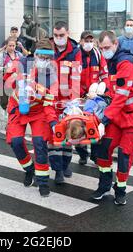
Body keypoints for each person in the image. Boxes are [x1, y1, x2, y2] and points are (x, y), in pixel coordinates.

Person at [91, 31, 133, 206]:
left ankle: (121, 189)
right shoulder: (112, 60)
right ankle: (104, 184)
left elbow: (122, 95)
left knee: (124, 154)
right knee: (103, 148)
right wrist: (102, 91)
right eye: (101, 48)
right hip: (119, 115)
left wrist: (104, 120)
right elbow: (114, 87)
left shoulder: (125, 61)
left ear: (116, 44)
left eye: (107, 47)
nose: (104, 51)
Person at [4, 39, 59, 197]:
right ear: (35, 55)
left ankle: (42, 182)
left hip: (39, 112)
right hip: (17, 108)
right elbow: (5, 81)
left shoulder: (52, 79)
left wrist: (54, 123)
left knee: (40, 142)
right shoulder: (21, 63)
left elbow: (49, 105)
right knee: (15, 141)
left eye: (47, 58)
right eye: (41, 57)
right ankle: (29, 170)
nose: (44, 61)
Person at [49, 21, 82, 184]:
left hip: (69, 98)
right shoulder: (49, 49)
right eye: (56, 35)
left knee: (68, 135)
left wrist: (73, 102)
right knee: (55, 136)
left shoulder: (75, 52)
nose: (58, 38)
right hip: (51, 98)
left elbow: (76, 77)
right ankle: (58, 170)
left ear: (67, 33)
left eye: (61, 35)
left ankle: (66, 164)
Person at [78, 30, 109, 165]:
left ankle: (95, 156)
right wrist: (82, 94)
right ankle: (82, 153)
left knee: (95, 125)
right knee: (77, 127)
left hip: (95, 96)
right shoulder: (76, 55)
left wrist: (101, 90)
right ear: (81, 41)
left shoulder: (97, 53)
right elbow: (71, 78)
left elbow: (105, 74)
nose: (89, 43)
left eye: (91, 41)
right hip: (79, 96)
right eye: (86, 41)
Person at [0, 37, 23, 111]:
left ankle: (13, 113)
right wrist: (5, 69)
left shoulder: (19, 54)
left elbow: (23, 64)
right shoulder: (1, 55)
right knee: (4, 101)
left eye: (13, 46)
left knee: (16, 98)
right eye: (10, 46)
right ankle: (6, 110)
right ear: (6, 46)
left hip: (15, 79)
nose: (12, 48)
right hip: (3, 79)